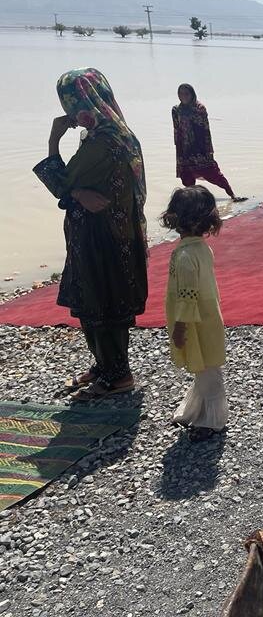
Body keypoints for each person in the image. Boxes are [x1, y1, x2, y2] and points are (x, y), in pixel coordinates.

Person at [36, 68, 148, 401]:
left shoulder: (102, 141)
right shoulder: (117, 133)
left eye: (72, 103)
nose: (70, 112)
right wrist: (78, 194)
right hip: (111, 234)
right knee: (96, 303)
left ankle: (118, 375)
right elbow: (73, 189)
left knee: (101, 304)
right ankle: (104, 366)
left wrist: (53, 140)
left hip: (102, 238)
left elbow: (60, 183)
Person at [161, 186, 228, 442]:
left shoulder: (186, 255)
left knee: (208, 369)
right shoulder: (200, 247)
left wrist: (179, 328)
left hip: (195, 321)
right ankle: (197, 410)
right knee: (203, 366)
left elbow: (188, 297)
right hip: (208, 314)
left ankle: (213, 420)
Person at [172, 84, 245, 202]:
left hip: (200, 148)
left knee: (214, 173)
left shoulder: (200, 108)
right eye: (180, 93)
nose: (183, 96)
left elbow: (206, 130)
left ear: (192, 94)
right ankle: (194, 201)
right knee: (187, 177)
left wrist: (208, 150)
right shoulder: (176, 110)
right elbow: (176, 130)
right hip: (185, 149)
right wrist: (179, 150)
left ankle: (232, 195)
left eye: (186, 93)